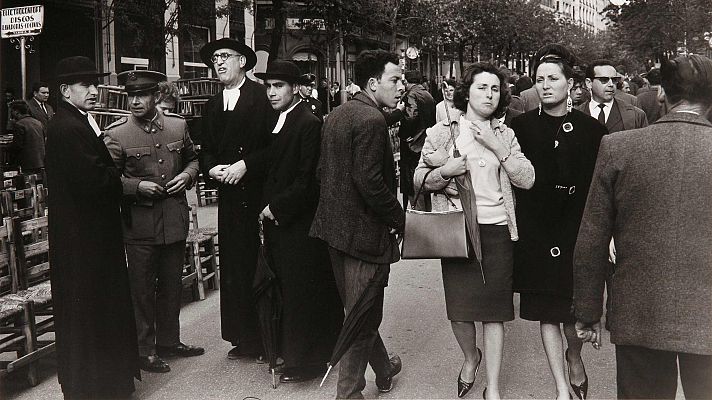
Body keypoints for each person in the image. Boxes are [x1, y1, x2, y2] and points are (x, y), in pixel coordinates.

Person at [574, 54, 712, 400]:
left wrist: (588, 311)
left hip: (640, 311)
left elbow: (592, 238)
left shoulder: (620, 147)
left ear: (662, 93)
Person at [414, 62, 534, 400]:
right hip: (457, 230)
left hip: (497, 231)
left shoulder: (505, 134)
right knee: (460, 311)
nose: (490, 94)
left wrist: (498, 147)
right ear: (467, 91)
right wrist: (445, 173)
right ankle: (471, 357)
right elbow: (418, 179)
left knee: (495, 315)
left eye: (495, 89)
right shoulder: (442, 132)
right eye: (482, 87)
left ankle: (492, 388)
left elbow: (527, 179)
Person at [510, 44, 608, 400]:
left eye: (553, 78)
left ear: (571, 84)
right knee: (545, 313)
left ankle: (574, 355)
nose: (545, 85)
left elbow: (600, 187)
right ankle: (561, 387)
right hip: (536, 229)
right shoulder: (518, 127)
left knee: (571, 310)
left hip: (576, 229)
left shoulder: (591, 131)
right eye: (539, 80)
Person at [310, 49, 405, 399]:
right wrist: (399, 218)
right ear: (372, 83)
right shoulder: (372, 120)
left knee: (359, 307)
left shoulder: (338, 113)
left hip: (335, 230)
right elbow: (370, 182)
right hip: (363, 235)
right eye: (395, 80)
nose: (401, 87)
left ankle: (383, 368)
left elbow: (323, 172)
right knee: (363, 316)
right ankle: (348, 393)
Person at [45, 56, 139, 399]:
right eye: (86, 85)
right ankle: (96, 387)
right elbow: (96, 181)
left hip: (88, 234)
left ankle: (104, 383)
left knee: (95, 308)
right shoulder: (68, 127)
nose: (94, 91)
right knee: (91, 308)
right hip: (84, 238)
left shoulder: (76, 122)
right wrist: (116, 176)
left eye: (94, 84)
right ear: (65, 90)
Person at [103, 70, 204, 374]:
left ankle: (169, 342)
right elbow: (107, 179)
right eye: (131, 96)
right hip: (140, 225)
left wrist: (187, 176)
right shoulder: (117, 133)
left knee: (172, 285)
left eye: (142, 95)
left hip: (173, 220)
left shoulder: (178, 125)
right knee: (142, 290)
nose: (135, 101)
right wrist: (136, 187)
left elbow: (193, 159)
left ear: (157, 97)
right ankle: (145, 350)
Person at [252, 60, 343, 383]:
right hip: (281, 222)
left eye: (278, 86)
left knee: (302, 291)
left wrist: (275, 207)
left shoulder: (308, 122)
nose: (272, 92)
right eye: (268, 86)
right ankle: (294, 355)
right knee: (288, 290)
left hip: (298, 222)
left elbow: (308, 179)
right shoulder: (281, 119)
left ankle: (307, 361)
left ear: (294, 89)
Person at [198, 38, 277, 361]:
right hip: (229, 198)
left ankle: (265, 337)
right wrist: (212, 168)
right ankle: (243, 336)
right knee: (234, 265)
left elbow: (276, 145)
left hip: (257, 193)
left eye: (225, 57)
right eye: (215, 58)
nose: (219, 63)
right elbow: (204, 148)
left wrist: (247, 165)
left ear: (243, 62)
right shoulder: (212, 104)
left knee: (259, 263)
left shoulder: (262, 98)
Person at [399, 70, 436, 210]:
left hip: (412, 145)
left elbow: (411, 115)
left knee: (411, 183)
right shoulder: (428, 95)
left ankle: (415, 215)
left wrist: (404, 134)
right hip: (425, 142)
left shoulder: (411, 95)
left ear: (407, 82)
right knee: (422, 182)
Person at [578, 59, 648, 133]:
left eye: (614, 80)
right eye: (604, 80)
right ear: (589, 83)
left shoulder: (636, 115)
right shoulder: (575, 115)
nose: (611, 84)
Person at [8, 100, 45, 174]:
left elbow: (17, 145)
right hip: (40, 161)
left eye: (11, 111)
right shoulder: (38, 123)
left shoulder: (19, 124)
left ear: (16, 111)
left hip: (27, 163)